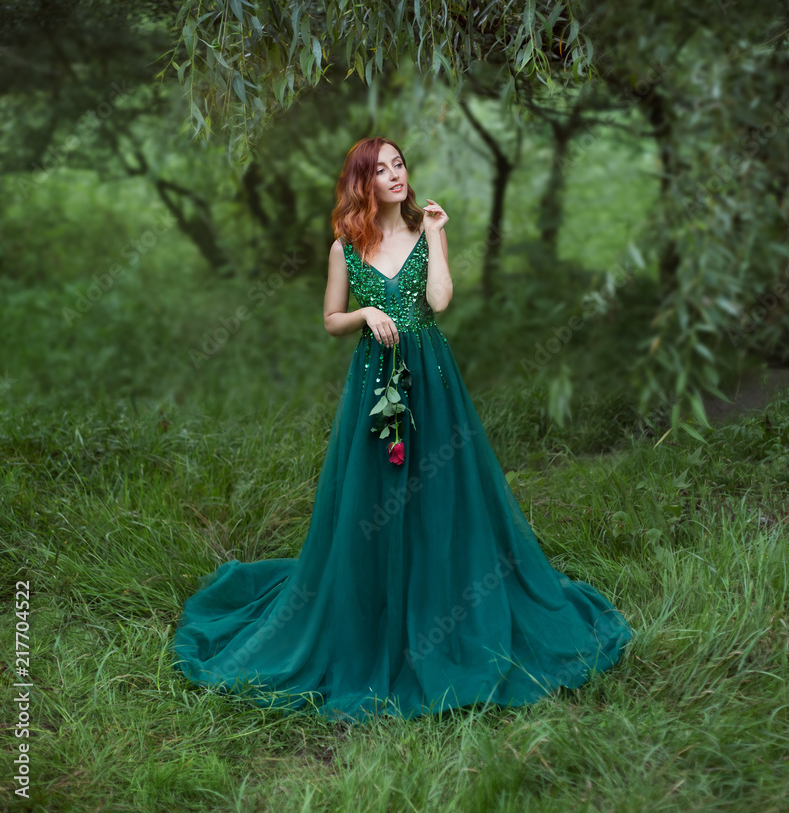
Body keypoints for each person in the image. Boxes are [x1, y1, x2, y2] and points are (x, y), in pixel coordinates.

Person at [169, 136, 634, 723]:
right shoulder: (345, 247)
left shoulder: (422, 233)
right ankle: (373, 608)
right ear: (362, 182)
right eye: (381, 169)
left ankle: (445, 598)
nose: (395, 175)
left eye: (400, 164)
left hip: (431, 380)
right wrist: (365, 313)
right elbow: (331, 320)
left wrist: (438, 235)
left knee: (440, 486)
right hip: (372, 384)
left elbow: (439, 301)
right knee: (373, 497)